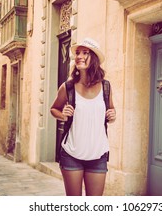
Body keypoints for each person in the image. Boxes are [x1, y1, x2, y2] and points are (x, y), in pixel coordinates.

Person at [50, 37, 116, 196]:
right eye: (77, 53)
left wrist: (112, 115)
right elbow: (54, 109)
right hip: (72, 154)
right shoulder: (68, 87)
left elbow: (111, 111)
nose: (78, 56)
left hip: (98, 154)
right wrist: (63, 116)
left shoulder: (106, 87)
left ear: (93, 57)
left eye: (84, 52)